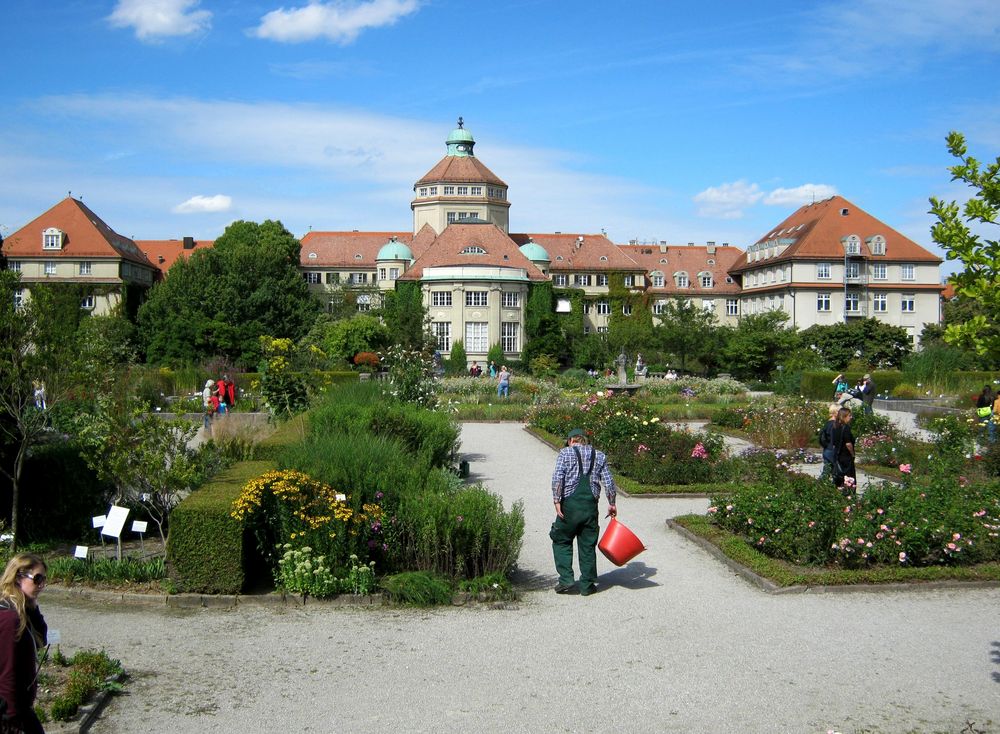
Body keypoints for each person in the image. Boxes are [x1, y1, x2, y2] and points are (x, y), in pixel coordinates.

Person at [550, 428, 618, 596]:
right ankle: (587, 585)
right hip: (590, 507)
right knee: (588, 544)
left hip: (569, 507)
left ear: (571, 440)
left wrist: (557, 500)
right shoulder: (599, 455)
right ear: (585, 440)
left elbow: (558, 477)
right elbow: (609, 482)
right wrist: (612, 503)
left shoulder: (565, 453)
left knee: (561, 539)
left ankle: (566, 579)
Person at [0, 553, 49, 734]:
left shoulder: (21, 609)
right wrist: (11, 721)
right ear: (18, 577)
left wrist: (33, 606)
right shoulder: (9, 618)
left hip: (21, 708)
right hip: (10, 714)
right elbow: (7, 671)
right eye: (37, 579)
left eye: (44, 579)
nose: (42, 585)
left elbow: (42, 639)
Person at [829, 407, 857, 493]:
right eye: (849, 415)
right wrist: (852, 454)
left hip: (838, 454)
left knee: (839, 475)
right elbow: (848, 444)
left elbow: (833, 442)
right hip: (846, 456)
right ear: (844, 416)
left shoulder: (834, 426)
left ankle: (839, 490)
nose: (851, 417)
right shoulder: (846, 428)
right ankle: (849, 492)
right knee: (849, 476)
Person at [818, 403, 840, 478]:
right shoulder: (834, 424)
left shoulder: (828, 423)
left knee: (827, 469)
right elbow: (834, 438)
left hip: (827, 448)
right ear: (835, 412)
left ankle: (820, 485)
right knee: (835, 471)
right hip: (832, 449)